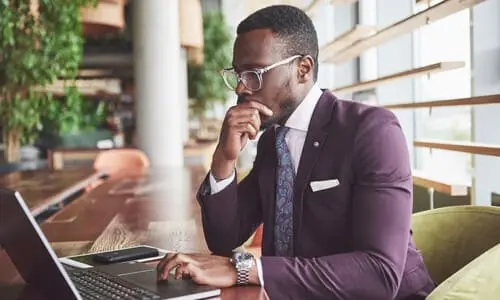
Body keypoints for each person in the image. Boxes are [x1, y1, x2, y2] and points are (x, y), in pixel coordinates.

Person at [157, 4, 436, 299]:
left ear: (303, 69)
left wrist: (247, 269)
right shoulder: (272, 142)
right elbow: (225, 239)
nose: (240, 87)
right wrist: (224, 160)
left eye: (254, 73)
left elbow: (379, 274)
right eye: (238, 73)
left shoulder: (372, 131)